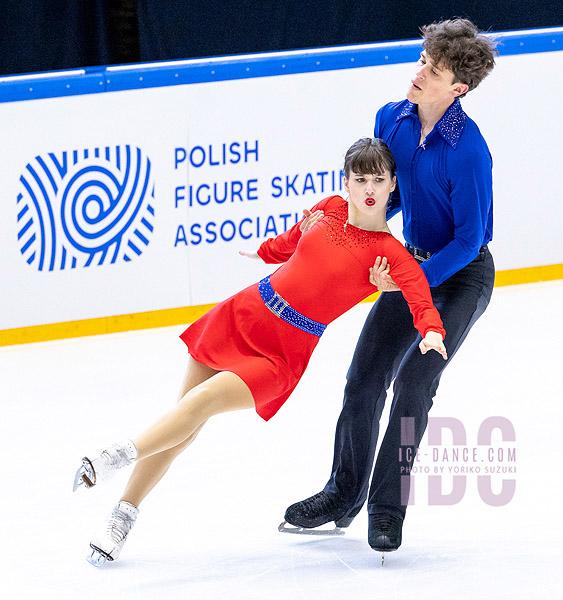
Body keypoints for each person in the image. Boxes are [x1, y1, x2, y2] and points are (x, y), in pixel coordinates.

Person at [73, 137, 447, 566]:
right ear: (344, 181)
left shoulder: (388, 256)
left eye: (378, 179)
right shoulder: (329, 208)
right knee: (184, 426)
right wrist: (265, 250)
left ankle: (115, 455)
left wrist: (431, 330)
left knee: (203, 403)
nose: (368, 188)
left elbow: (419, 296)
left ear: (392, 183)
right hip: (245, 313)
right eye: (359, 178)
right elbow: (290, 242)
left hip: (283, 351)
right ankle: (123, 515)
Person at [283, 18, 497, 555]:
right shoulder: (391, 120)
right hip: (410, 268)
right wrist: (350, 233)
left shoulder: (469, 151)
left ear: (458, 89)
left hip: (460, 277)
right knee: (363, 379)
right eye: (423, 60)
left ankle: (385, 507)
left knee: (412, 384)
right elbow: (386, 196)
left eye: (434, 69)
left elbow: (470, 240)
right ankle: (342, 493)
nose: (419, 71)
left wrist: (413, 279)